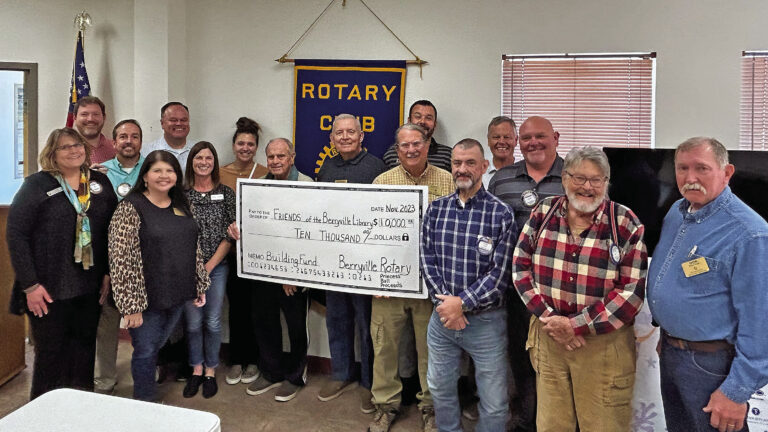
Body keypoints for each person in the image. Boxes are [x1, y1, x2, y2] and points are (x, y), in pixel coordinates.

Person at [511, 146, 647, 431]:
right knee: (551, 425)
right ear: (564, 178)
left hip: (602, 346)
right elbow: (520, 268)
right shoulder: (543, 212)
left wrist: (575, 325)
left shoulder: (624, 222)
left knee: (603, 426)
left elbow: (631, 292)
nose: (587, 187)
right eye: (580, 178)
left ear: (606, 182)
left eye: (596, 180)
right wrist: (552, 319)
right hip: (549, 337)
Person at [648, 137, 768, 432]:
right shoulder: (677, 212)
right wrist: (670, 331)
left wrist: (736, 391)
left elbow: (760, 322)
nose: (690, 178)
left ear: (726, 173)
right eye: (682, 168)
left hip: (713, 366)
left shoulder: (750, 234)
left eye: (701, 168)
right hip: (673, 353)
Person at [7, 128, 117, 399]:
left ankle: (80, 407)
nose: (73, 150)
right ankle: (43, 412)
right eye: (65, 147)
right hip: (48, 288)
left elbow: (111, 230)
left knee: (84, 352)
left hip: (89, 287)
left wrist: (108, 273)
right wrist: (30, 285)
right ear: (52, 154)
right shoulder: (37, 185)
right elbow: (17, 234)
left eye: (77, 145)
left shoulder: (99, 183)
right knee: (51, 357)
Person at [421, 138, 516, 432]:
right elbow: (427, 261)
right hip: (442, 320)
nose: (462, 169)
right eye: (457, 163)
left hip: (486, 322)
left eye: (470, 163)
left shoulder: (501, 214)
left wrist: (461, 304)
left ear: (484, 166)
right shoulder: (436, 210)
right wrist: (447, 306)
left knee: (494, 401)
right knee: (440, 388)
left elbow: (500, 275)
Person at [367, 124, 453, 432]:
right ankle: (385, 406)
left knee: (432, 350)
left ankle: (431, 408)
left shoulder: (448, 181)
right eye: (405, 145)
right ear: (397, 149)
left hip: (431, 284)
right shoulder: (382, 182)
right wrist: (372, 278)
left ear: (427, 145)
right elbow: (368, 232)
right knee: (384, 347)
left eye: (417, 143)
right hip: (389, 283)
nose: (411, 150)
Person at [109, 150, 210, 402]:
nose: (164, 176)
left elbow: (194, 247)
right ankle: (144, 404)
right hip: (146, 299)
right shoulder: (130, 208)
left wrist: (199, 283)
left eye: (170, 170)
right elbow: (121, 260)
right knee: (145, 351)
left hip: (178, 293)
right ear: (145, 176)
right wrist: (131, 306)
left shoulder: (182, 204)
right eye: (157, 170)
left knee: (156, 346)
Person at [487, 115, 565, 430]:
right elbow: (489, 230)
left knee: (557, 360)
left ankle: (556, 420)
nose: (533, 143)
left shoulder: (574, 176)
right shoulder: (501, 179)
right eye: (527, 137)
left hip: (560, 291)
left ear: (555, 138)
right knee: (520, 355)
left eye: (540, 136)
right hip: (515, 289)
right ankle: (525, 417)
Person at [229, 138, 312, 402]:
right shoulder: (258, 186)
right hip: (263, 270)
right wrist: (237, 228)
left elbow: (309, 234)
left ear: (292, 157)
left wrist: (291, 273)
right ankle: (271, 371)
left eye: (281, 156)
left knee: (296, 326)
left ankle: (295, 376)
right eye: (271, 157)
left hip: (294, 273)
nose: (275, 161)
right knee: (264, 321)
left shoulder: (307, 185)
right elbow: (253, 224)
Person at [316, 113, 387, 413]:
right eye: (339, 133)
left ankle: (369, 382)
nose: (345, 137)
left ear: (361, 136)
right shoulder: (326, 167)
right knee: (337, 319)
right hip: (333, 260)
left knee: (366, 323)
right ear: (331, 138)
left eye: (350, 132)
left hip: (365, 262)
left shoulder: (376, 168)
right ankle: (341, 373)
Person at [180, 142, 235, 399]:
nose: (204, 162)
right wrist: (195, 269)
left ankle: (211, 370)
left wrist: (208, 267)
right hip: (187, 269)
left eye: (208, 158)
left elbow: (230, 234)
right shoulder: (181, 195)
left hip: (217, 267)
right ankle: (196, 369)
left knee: (212, 322)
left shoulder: (226, 193)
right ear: (191, 162)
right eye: (198, 158)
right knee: (192, 324)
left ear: (215, 162)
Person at [93, 119, 145, 394]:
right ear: (114, 142)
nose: (128, 141)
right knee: (107, 319)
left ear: (141, 141)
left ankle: (147, 372)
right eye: (123, 136)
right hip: (108, 253)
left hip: (144, 255)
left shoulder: (152, 167)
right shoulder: (98, 173)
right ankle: (104, 379)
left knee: (146, 320)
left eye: (134, 136)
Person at [220, 117, 266, 386]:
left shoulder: (265, 173)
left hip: (259, 254)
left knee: (257, 309)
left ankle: (255, 361)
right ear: (233, 145)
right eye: (241, 143)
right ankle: (237, 359)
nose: (245, 148)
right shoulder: (220, 173)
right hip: (230, 251)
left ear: (256, 147)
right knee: (236, 308)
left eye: (250, 144)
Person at [382, 100, 452, 171]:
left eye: (428, 118)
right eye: (418, 116)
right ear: (409, 121)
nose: (422, 121)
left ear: (435, 124)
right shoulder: (391, 154)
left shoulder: (448, 156)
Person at [142, 102, 196, 171]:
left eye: (183, 120)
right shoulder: (146, 152)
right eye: (173, 120)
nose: (179, 123)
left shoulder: (199, 151)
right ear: (162, 123)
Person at [73, 96, 116, 163]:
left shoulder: (116, 148)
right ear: (75, 118)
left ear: (104, 118)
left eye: (96, 114)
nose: (90, 119)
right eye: (84, 114)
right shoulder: (65, 151)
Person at [482, 116, 517, 187]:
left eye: (506, 137)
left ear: (516, 140)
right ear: (488, 140)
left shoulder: (527, 173)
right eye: (496, 137)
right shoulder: (478, 174)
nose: (501, 141)